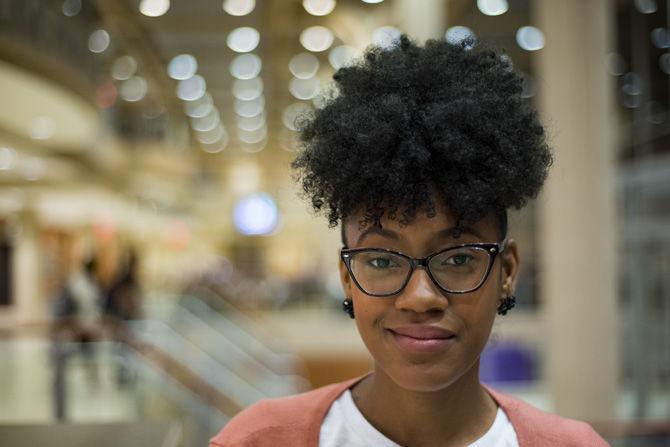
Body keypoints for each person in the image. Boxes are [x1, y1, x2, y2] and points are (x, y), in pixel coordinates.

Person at [210, 35, 608, 446]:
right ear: (347, 278)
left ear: (506, 272)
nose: (420, 297)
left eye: (457, 259)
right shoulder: (260, 440)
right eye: (382, 261)